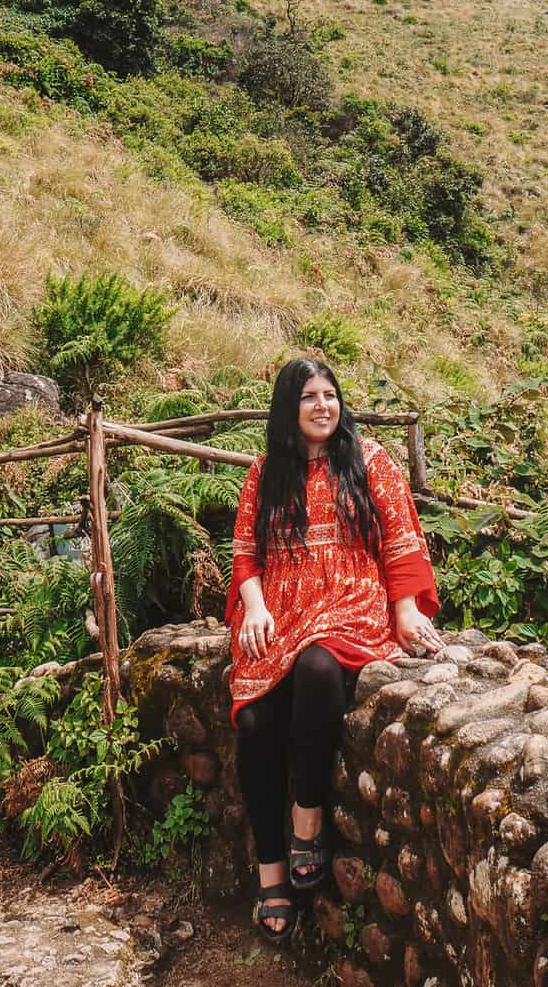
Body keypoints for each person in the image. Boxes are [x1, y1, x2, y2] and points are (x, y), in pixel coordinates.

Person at [224, 358, 443, 941]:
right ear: (287, 409)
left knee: (320, 669)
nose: (323, 406)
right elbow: (245, 553)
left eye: (330, 395)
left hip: (349, 600)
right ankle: (271, 872)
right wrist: (255, 606)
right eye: (308, 398)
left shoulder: (369, 461)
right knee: (254, 722)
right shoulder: (265, 473)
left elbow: (400, 536)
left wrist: (404, 608)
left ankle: (307, 821)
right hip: (280, 610)